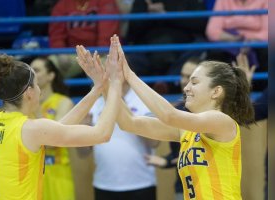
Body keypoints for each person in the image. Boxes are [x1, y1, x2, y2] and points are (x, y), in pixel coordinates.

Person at [98, 36, 254, 199]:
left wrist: (129, 75)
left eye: (194, 82)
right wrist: (106, 83)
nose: (186, 87)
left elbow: (168, 115)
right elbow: (128, 123)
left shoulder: (221, 121)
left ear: (216, 91)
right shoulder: (186, 129)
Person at [0, 37, 124, 200]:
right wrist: (115, 85)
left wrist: (98, 88)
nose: (40, 91)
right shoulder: (31, 129)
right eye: (36, 85)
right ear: (29, 92)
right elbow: (102, 134)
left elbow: (56, 129)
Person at [78, 81, 159, 200]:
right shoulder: (95, 104)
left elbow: (155, 143)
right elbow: (82, 153)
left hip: (141, 183)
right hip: (104, 184)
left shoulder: (143, 100)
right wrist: (83, 131)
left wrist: (129, 115)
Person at [144, 57, 200, 200]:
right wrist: (166, 161)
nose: (183, 81)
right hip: (184, 187)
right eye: (182, 76)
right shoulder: (178, 111)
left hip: (212, 187)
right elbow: (177, 152)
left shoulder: (216, 111)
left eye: (190, 78)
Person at [30, 57, 75, 200]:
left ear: (51, 76)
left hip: (57, 172)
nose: (31, 74)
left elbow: (53, 141)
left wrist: (34, 108)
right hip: (30, 174)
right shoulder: (24, 104)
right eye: (29, 70)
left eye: (36, 70)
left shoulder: (63, 102)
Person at [48, 0, 120, 78]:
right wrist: (61, 52)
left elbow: (107, 33)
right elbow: (56, 34)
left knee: (108, 66)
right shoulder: (63, 4)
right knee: (49, 65)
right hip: (72, 54)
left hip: (99, 54)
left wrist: (96, 54)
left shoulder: (105, 2)